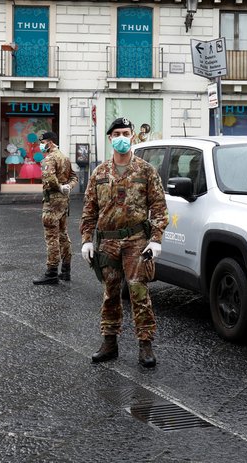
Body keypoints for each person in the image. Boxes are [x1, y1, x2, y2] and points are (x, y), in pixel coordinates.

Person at [80, 117, 168, 368]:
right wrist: (87, 240)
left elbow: (159, 208)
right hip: (107, 243)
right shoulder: (99, 173)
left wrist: (156, 239)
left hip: (136, 241)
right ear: (110, 138)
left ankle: (145, 345)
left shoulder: (145, 170)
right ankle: (109, 343)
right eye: (116, 133)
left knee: (139, 292)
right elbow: (89, 210)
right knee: (110, 294)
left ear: (132, 136)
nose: (121, 137)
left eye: (125, 133)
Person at [32, 131, 79, 285]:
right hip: (64, 202)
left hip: (52, 201)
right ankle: (66, 270)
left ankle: (51, 272)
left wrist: (58, 186)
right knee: (63, 234)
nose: (41, 145)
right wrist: (67, 187)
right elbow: (74, 176)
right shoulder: (64, 157)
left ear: (50, 142)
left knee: (52, 236)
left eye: (43, 142)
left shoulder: (49, 159)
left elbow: (49, 178)